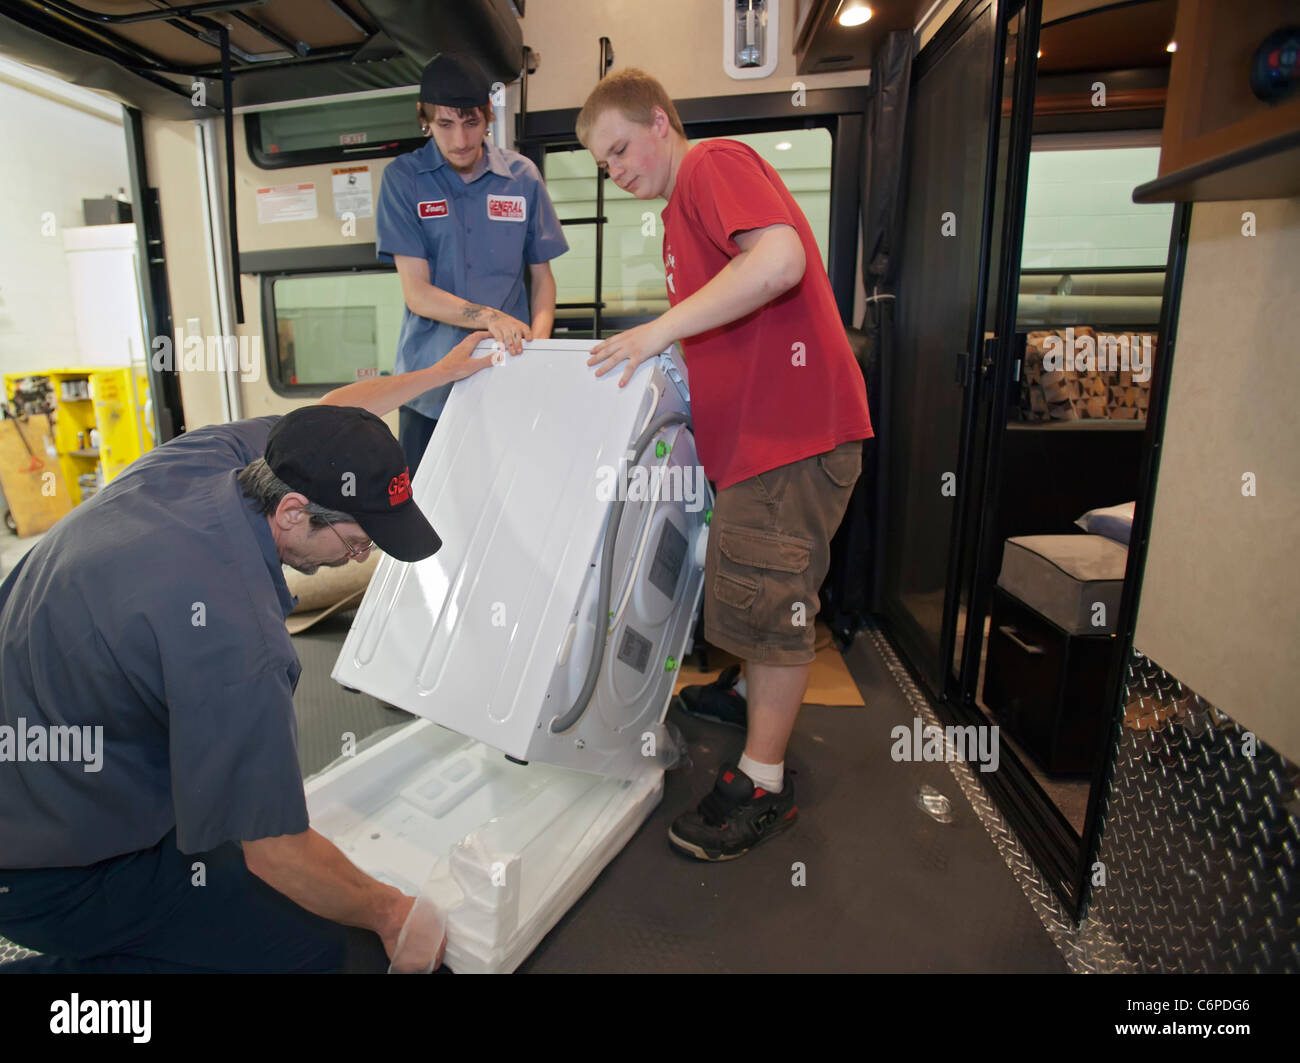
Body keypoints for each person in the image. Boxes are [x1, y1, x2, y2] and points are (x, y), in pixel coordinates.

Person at [0, 331, 496, 973]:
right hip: (51, 869)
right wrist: (392, 914)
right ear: (293, 513)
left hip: (40, 737)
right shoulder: (233, 636)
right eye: (358, 537)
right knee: (309, 952)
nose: (363, 554)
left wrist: (439, 372)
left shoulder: (221, 456)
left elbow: (334, 415)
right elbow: (276, 849)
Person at [576, 69, 873, 862]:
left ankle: (761, 783)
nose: (617, 170)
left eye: (621, 148)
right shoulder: (679, 213)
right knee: (747, 577)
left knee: (773, 596)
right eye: (604, 165)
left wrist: (654, 332)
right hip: (759, 438)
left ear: (660, 123)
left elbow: (778, 263)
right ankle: (747, 696)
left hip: (791, 435)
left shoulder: (710, 168)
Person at [376, 51, 569, 473]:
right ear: (424, 118)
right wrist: (490, 317)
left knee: (507, 507)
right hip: (429, 390)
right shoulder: (403, 181)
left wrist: (536, 348)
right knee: (425, 514)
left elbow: (542, 279)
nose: (461, 139)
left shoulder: (522, 178)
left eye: (472, 123)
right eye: (445, 124)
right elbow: (418, 294)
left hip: (504, 381)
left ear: (489, 117)